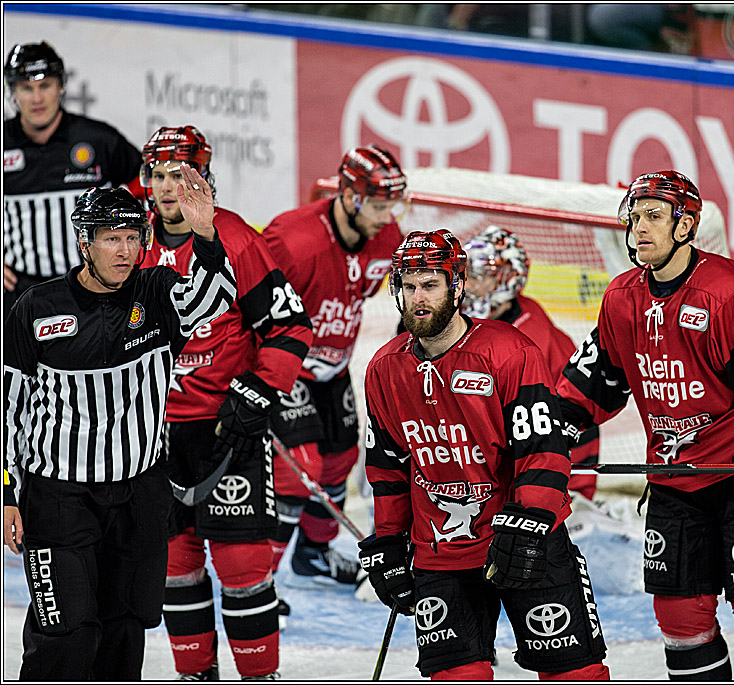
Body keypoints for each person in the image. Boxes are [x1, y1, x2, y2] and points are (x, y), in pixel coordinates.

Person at [555, 171, 734, 680]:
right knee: (680, 621)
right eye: (635, 217)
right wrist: (537, 433)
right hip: (674, 480)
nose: (639, 228)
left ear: (686, 225)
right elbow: (590, 385)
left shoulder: (727, 290)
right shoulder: (621, 298)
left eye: (654, 217)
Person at [2, 171, 237, 681]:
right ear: (84, 242)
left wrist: (206, 233)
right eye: (112, 238)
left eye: (134, 237)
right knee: (68, 631)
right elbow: (7, 409)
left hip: (139, 494)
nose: (125, 250)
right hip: (58, 496)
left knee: (126, 627)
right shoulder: (37, 308)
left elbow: (216, 299)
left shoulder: (156, 293)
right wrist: (5, 494)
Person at [357, 229, 611, 680]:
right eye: (409, 285)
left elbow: (543, 452)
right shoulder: (383, 369)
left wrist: (529, 523)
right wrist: (389, 542)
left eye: (431, 285)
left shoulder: (509, 352)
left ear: (457, 287)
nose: (419, 297)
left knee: (576, 675)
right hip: (441, 551)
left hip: (524, 537)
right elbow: (388, 469)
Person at [138, 126, 312, 680]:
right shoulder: (128, 239)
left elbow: (289, 326)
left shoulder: (234, 236)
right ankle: (195, 673)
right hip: (151, 437)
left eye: (181, 175)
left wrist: (259, 390)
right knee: (175, 564)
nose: (169, 188)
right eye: (159, 176)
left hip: (225, 431)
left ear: (204, 177)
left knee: (243, 564)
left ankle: (260, 676)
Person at [260, 145, 407, 587]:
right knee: (297, 469)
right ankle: (260, 581)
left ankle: (314, 555)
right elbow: (246, 304)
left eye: (391, 205)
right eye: (379, 205)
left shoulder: (388, 237)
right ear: (350, 196)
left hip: (334, 366)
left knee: (341, 460)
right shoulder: (290, 239)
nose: (387, 216)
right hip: (285, 366)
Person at [3, 41, 142, 321]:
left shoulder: (99, 140)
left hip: (93, 290)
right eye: (27, 88)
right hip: (19, 293)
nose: (37, 98)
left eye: (45, 86)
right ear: (13, 92)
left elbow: (148, 187)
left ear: (61, 86)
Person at [462, 225, 600, 500]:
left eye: (480, 277)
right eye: (467, 275)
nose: (469, 285)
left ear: (508, 279)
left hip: (557, 467)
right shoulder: (507, 317)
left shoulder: (528, 338)